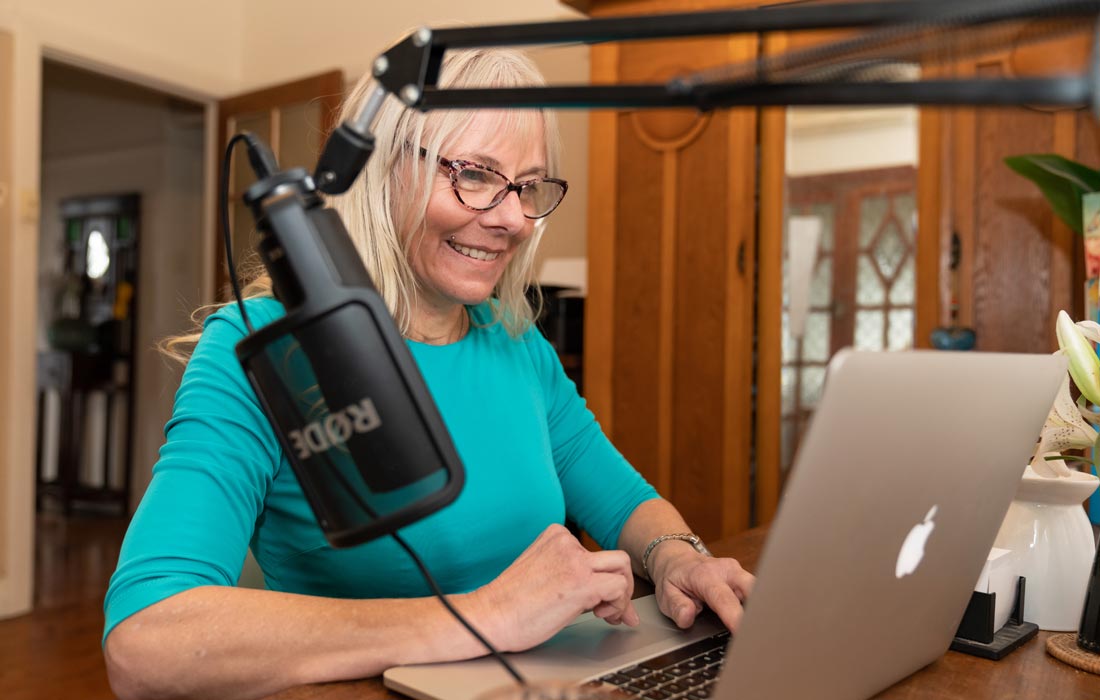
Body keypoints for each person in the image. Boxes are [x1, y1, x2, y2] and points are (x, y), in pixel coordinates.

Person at [103, 47, 755, 700]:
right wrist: (486, 618)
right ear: (382, 170)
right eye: (475, 175)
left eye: (527, 187)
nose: (511, 219)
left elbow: (618, 497)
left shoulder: (516, 344)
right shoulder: (260, 348)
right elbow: (145, 640)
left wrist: (676, 557)